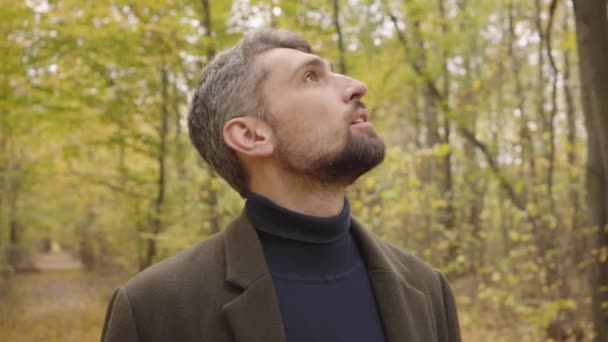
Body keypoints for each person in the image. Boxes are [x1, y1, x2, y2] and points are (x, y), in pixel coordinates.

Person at [101, 28, 461, 342]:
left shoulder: (428, 290)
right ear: (251, 135)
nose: (356, 86)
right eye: (310, 77)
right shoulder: (155, 309)